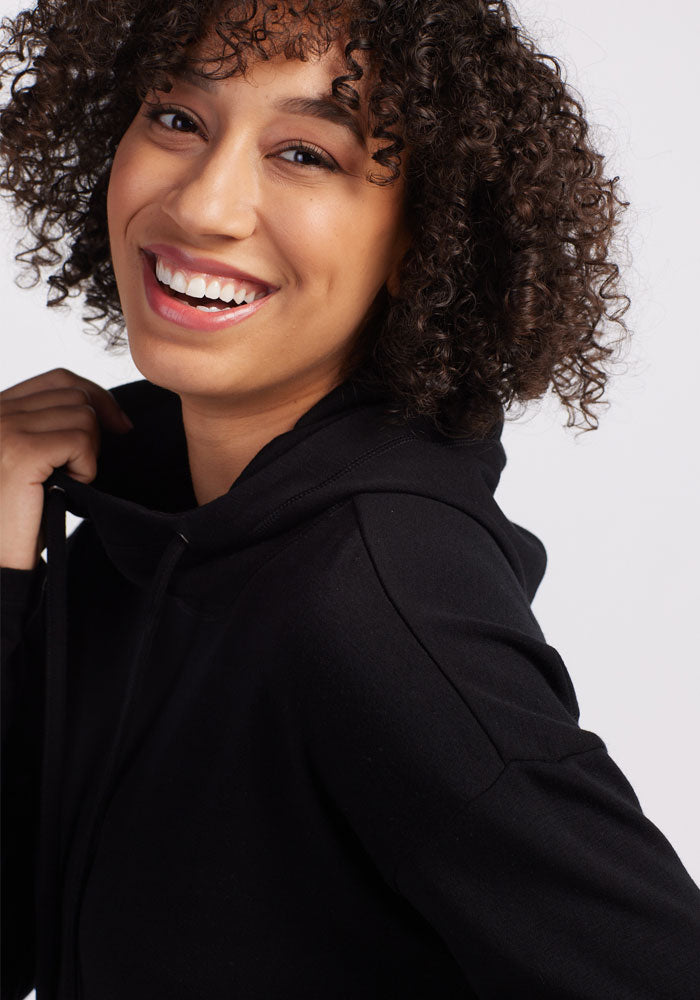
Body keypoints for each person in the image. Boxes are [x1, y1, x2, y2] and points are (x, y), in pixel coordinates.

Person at [1, 0, 699, 997]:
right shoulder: (140, 519)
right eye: (177, 118)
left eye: (305, 155)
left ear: (426, 239)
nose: (204, 206)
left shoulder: (373, 603)